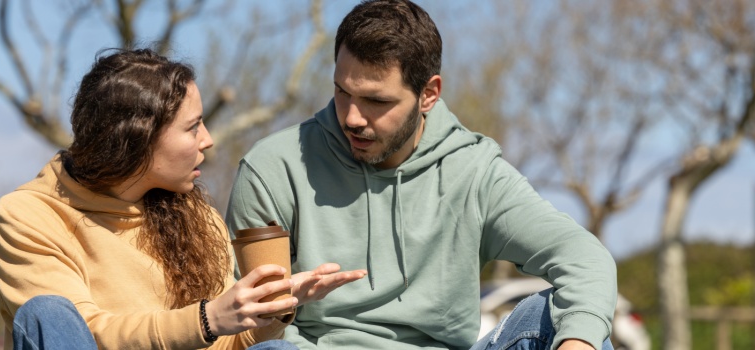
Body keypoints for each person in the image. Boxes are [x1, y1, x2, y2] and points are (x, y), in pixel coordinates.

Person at [226, 1, 617, 349]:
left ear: (429, 94)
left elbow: (585, 259)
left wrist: (577, 341)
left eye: (377, 101)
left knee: (558, 316)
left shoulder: (474, 171)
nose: (351, 117)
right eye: (342, 91)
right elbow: (250, 323)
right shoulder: (272, 169)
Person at [0, 48, 365, 350]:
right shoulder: (26, 216)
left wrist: (272, 308)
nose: (208, 140)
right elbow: (84, 335)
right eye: (192, 126)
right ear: (138, 139)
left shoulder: (191, 211)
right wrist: (207, 318)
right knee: (47, 313)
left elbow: (226, 342)